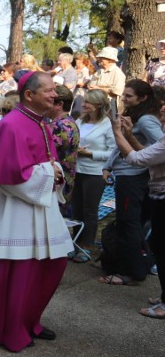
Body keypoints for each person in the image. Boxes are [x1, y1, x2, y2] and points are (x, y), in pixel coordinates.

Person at [0, 71, 73, 352]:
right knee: (20, 272)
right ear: (29, 95)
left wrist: (55, 171)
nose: (55, 95)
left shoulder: (42, 123)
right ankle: (9, 329)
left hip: (41, 209)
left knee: (50, 265)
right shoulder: (12, 125)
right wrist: (50, 173)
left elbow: (48, 162)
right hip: (17, 213)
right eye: (49, 90)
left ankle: (29, 321)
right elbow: (8, 176)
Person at [99, 79, 162, 285]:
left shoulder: (145, 120)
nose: (123, 99)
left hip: (134, 177)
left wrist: (131, 147)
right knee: (129, 223)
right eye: (123, 95)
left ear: (143, 98)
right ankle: (132, 266)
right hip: (126, 174)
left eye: (128, 96)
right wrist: (109, 166)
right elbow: (120, 147)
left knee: (129, 224)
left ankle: (130, 271)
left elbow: (157, 147)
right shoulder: (133, 115)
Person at [111, 102, 165, 318]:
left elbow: (136, 159)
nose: (161, 109)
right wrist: (129, 135)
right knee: (159, 246)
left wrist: (116, 132)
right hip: (158, 195)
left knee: (162, 248)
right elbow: (148, 154)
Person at [70, 89, 114, 262]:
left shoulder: (107, 125)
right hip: (77, 171)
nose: (83, 104)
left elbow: (112, 152)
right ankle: (75, 243)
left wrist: (90, 154)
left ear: (98, 105)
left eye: (88, 102)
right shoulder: (79, 121)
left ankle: (86, 247)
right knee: (76, 210)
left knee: (90, 211)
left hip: (95, 173)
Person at [46, 85, 80, 217]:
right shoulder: (70, 121)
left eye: (50, 102)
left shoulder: (59, 125)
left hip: (58, 181)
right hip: (66, 179)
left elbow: (46, 152)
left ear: (59, 104)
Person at [88, 46, 126, 118]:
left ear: (110, 60)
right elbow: (91, 85)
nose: (99, 59)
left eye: (102, 58)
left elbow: (118, 91)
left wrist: (99, 88)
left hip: (108, 108)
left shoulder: (117, 73)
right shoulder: (98, 72)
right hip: (95, 107)